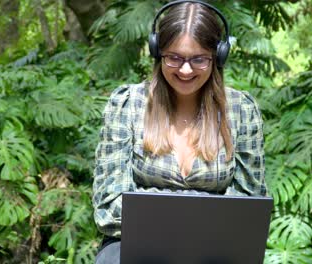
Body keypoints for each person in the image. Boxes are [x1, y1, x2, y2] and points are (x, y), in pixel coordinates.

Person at [92, 1, 267, 263]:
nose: (185, 70)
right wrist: (204, 207)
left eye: (198, 59)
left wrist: (152, 205)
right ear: (157, 52)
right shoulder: (126, 104)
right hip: (133, 244)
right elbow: (109, 206)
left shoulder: (241, 111)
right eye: (174, 57)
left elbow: (249, 205)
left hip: (216, 248)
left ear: (217, 56)